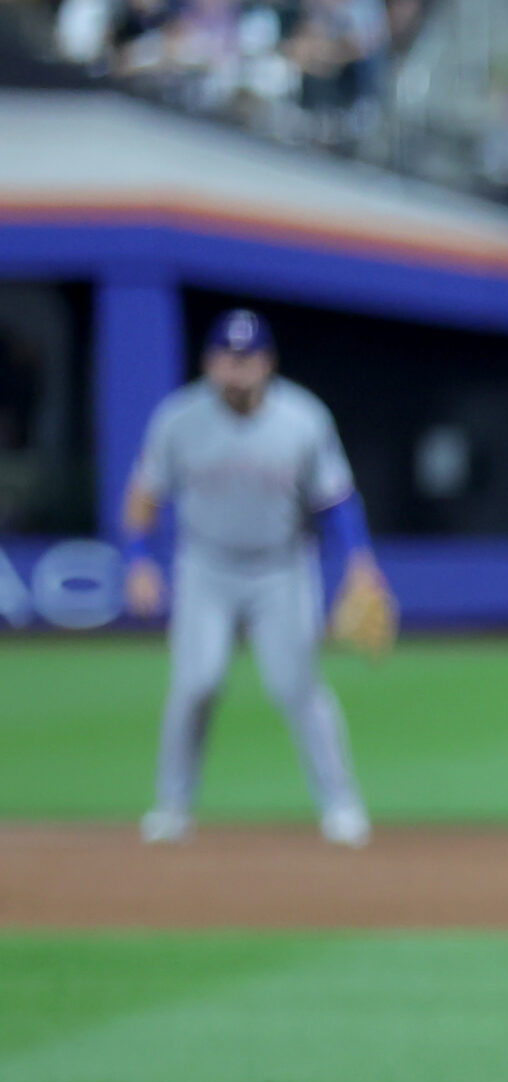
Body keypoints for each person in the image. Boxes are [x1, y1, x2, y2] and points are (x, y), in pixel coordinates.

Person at [122, 309, 387, 847]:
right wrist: (138, 560)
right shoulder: (179, 419)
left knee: (296, 687)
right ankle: (172, 806)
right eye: (226, 356)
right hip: (206, 567)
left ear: (268, 362)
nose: (236, 368)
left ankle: (341, 806)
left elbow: (336, 500)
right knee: (196, 684)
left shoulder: (302, 418)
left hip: (282, 568)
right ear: (208, 361)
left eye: (247, 357)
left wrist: (360, 562)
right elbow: (144, 495)